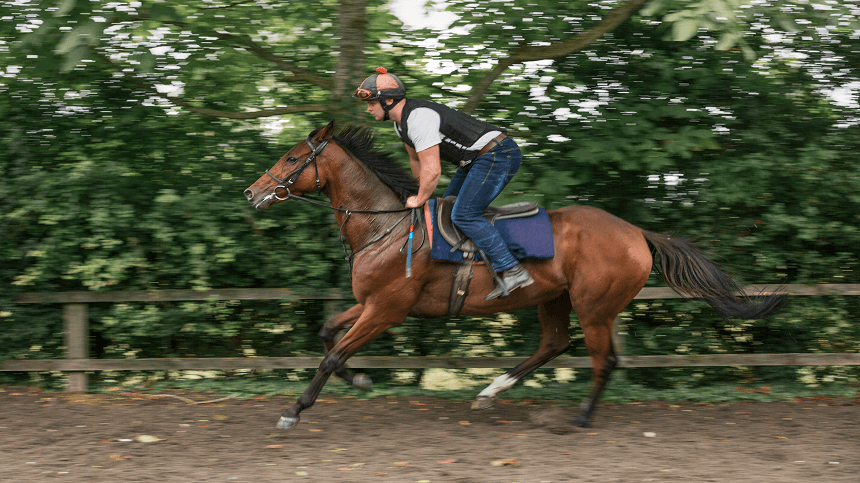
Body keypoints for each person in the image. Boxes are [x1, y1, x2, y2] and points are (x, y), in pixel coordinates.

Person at [353, 67, 533, 299]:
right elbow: (416, 160)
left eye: (372, 103)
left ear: (388, 101)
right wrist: (418, 193)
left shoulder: (418, 118)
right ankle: (468, 269)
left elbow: (433, 170)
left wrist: (420, 198)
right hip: (476, 160)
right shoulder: (401, 124)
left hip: (498, 154)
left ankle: (512, 269)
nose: (368, 109)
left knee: (463, 214)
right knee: (445, 211)